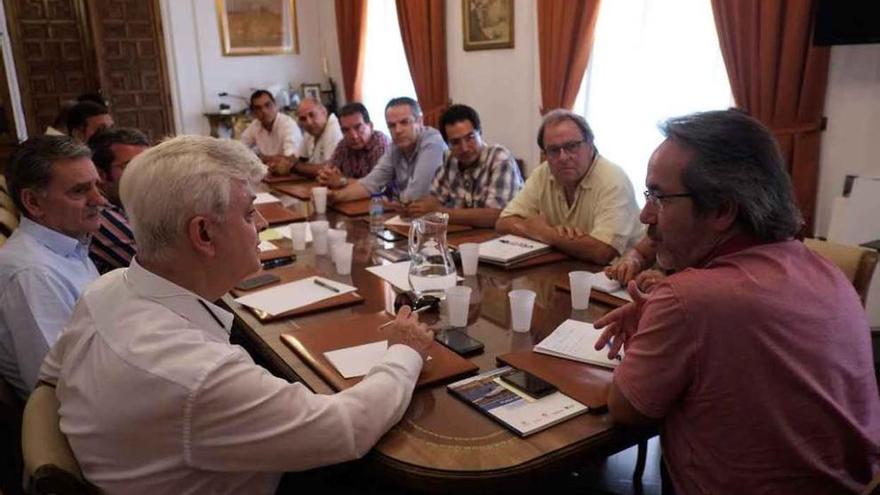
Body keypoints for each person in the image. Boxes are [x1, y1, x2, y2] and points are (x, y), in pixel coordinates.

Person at [38, 135, 435, 494]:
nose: (261, 224)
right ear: (204, 235)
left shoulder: (104, 290)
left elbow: (49, 379)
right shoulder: (199, 375)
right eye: (248, 214)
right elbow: (350, 428)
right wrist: (405, 350)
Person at [594, 110, 880, 493]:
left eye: (659, 197)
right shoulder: (827, 272)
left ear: (722, 210)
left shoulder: (690, 297)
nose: (646, 215)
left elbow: (626, 409)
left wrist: (666, 321)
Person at [0, 136, 105, 397]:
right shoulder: (33, 273)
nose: (99, 199)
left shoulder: (70, 244)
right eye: (80, 191)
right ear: (33, 202)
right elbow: (61, 387)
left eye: (96, 186)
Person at [496, 110, 642, 264]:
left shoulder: (614, 180)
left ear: (591, 145)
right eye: (553, 150)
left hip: (625, 279)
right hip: (568, 267)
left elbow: (602, 252)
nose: (563, 157)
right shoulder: (543, 173)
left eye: (572, 146)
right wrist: (557, 237)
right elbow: (503, 223)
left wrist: (544, 232)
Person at [406, 104, 523, 228]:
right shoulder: (450, 158)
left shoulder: (500, 159)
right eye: (455, 142)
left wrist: (440, 213)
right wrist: (414, 208)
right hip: (465, 236)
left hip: (501, 239)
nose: (464, 148)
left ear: (480, 133)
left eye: (470, 138)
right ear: (447, 144)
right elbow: (435, 198)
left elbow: (495, 216)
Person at [330, 97, 446, 209]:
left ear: (420, 122)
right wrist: (335, 197)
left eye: (404, 122)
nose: (398, 130)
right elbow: (370, 183)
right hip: (408, 215)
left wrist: (391, 201)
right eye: (392, 125)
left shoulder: (433, 144)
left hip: (444, 221)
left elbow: (417, 194)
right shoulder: (395, 147)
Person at [87, 127, 150, 273]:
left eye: (147, 165)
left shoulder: (129, 203)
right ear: (100, 174)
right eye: (130, 166)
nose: (145, 174)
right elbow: (168, 266)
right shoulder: (98, 214)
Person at [317, 102, 389, 189]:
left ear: (370, 126)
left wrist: (342, 181)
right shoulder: (343, 144)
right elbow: (328, 171)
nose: (353, 136)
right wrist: (325, 176)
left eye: (358, 127)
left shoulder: (380, 143)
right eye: (346, 130)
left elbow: (378, 184)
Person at [240, 89, 303, 174]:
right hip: (268, 174)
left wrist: (261, 158)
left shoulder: (288, 125)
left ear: (276, 106)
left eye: (268, 105)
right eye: (258, 108)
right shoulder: (255, 125)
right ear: (253, 113)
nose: (264, 111)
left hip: (291, 176)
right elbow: (239, 149)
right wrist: (264, 158)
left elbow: (289, 160)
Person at [279, 98, 342, 178]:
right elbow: (300, 159)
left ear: (324, 112)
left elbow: (328, 169)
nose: (308, 122)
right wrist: (284, 163)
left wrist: (294, 166)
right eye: (303, 119)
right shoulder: (310, 131)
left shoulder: (334, 128)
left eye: (312, 115)